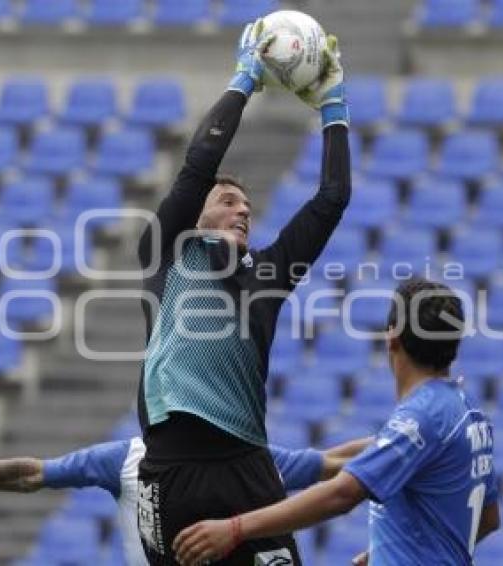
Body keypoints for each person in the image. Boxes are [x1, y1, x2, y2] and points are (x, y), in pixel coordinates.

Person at [134, 17, 351, 566]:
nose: (243, 209)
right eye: (227, 200)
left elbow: (332, 197)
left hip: (246, 467)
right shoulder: (166, 252)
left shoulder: (268, 274)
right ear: (198, 212)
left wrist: (333, 106)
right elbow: (198, 163)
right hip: (171, 473)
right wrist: (244, 81)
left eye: (247, 206)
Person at [172, 279, 500, 566]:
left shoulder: (421, 417)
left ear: (392, 337)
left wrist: (235, 529)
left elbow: (342, 495)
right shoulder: (467, 414)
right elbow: (488, 520)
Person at [0, 422, 369, 566]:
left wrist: (418, 442)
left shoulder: (249, 458)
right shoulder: (125, 458)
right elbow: (32, 474)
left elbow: (332, 463)